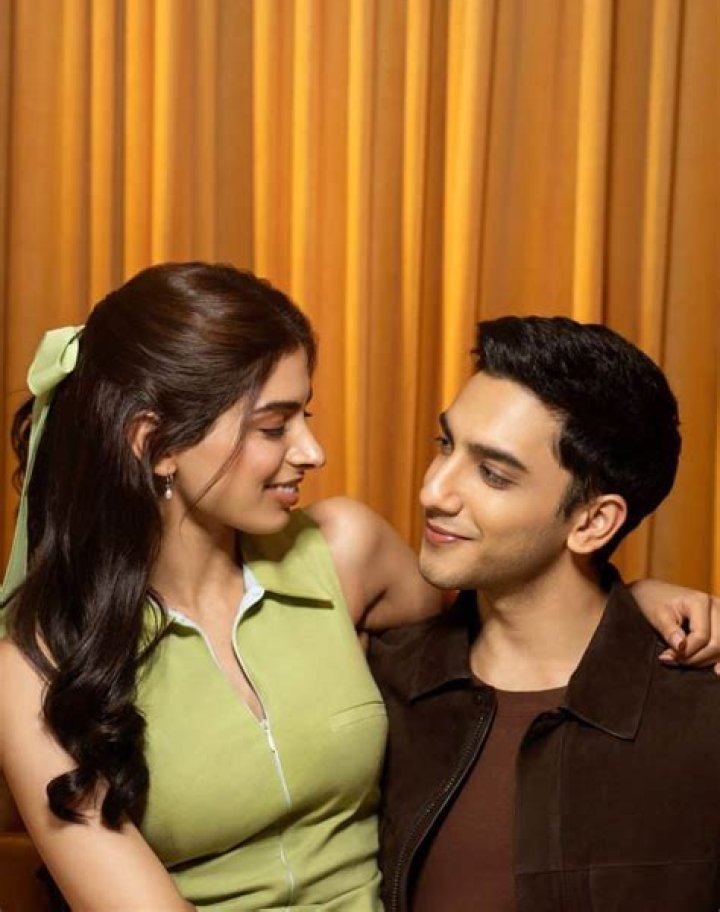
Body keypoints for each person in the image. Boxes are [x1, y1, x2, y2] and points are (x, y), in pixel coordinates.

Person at [0, 265, 715, 912]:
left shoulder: (343, 553)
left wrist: (632, 600)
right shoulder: (36, 667)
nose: (313, 451)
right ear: (155, 443)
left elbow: (515, 604)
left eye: (305, 416)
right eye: (274, 426)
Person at [369, 316, 720, 912]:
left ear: (593, 522)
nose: (433, 491)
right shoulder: (381, 682)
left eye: (493, 474)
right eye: (445, 445)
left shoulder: (700, 714)